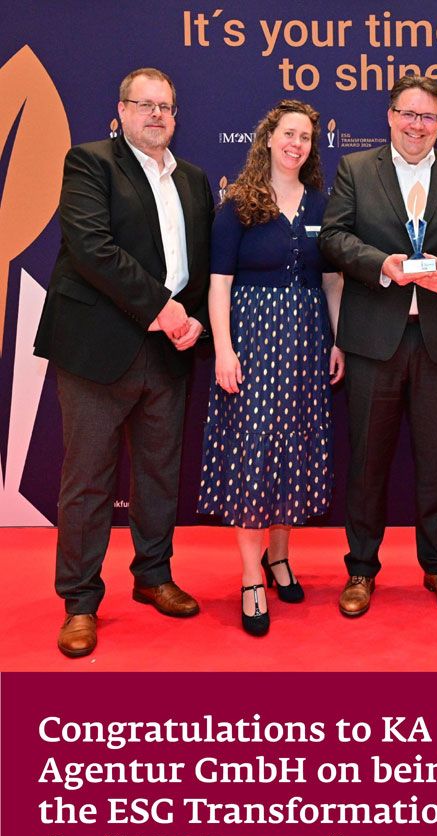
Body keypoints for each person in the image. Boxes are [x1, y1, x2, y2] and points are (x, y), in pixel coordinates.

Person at [34, 67, 214, 658]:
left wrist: (190, 321)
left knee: (159, 473)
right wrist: (164, 309)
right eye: (145, 104)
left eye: (166, 106)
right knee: (88, 480)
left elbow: (196, 264)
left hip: (169, 351)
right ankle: (80, 601)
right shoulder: (90, 163)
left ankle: (154, 577)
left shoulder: (192, 179)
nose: (157, 115)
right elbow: (92, 249)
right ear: (121, 110)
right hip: (96, 347)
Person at [320, 75, 437, 618]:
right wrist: (382, 265)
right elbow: (333, 237)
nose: (418, 126)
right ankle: (361, 571)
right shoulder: (356, 168)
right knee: (367, 464)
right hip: (374, 341)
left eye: (429, 117)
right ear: (390, 115)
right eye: (408, 114)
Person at [197, 100, 343, 636]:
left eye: (305, 136)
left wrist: (338, 341)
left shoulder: (322, 205)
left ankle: (280, 558)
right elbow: (219, 285)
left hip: (306, 342)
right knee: (251, 451)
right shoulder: (237, 205)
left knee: (294, 447)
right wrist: (224, 349)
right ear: (267, 138)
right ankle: (250, 575)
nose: (296, 144)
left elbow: (331, 281)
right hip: (252, 343)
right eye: (288, 133)